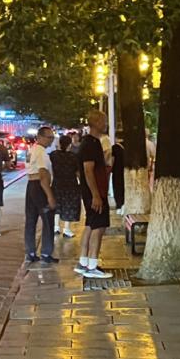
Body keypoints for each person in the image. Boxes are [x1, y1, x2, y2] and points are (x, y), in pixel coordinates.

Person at [77, 111, 113, 279]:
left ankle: (83, 262)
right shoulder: (91, 144)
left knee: (90, 226)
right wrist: (96, 195)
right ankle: (92, 265)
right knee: (99, 228)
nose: (106, 124)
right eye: (104, 121)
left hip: (91, 191)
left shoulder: (90, 143)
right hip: (95, 192)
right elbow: (88, 170)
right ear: (97, 122)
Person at [24, 126, 58, 264]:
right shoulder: (42, 152)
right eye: (49, 137)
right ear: (40, 137)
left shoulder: (32, 150)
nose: (51, 140)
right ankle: (46, 252)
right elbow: (44, 175)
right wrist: (50, 196)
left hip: (30, 186)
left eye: (52, 137)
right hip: (40, 187)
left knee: (31, 219)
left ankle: (30, 252)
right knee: (48, 219)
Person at [50, 134, 81, 238]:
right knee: (69, 205)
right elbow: (78, 173)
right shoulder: (73, 157)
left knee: (57, 204)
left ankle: (55, 227)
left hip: (57, 183)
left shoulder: (53, 155)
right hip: (70, 184)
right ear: (69, 145)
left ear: (59, 144)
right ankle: (66, 229)